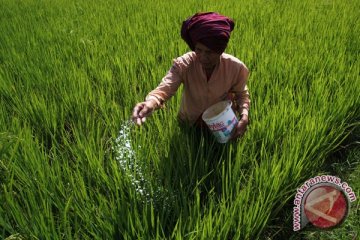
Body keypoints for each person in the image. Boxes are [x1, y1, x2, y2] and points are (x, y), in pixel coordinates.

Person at [132, 12, 250, 141]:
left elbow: (241, 94)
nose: (203, 58)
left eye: (209, 52)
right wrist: (150, 103)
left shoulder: (236, 67)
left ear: (220, 50)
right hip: (189, 123)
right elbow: (165, 88)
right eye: (198, 50)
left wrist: (244, 116)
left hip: (223, 124)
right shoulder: (185, 63)